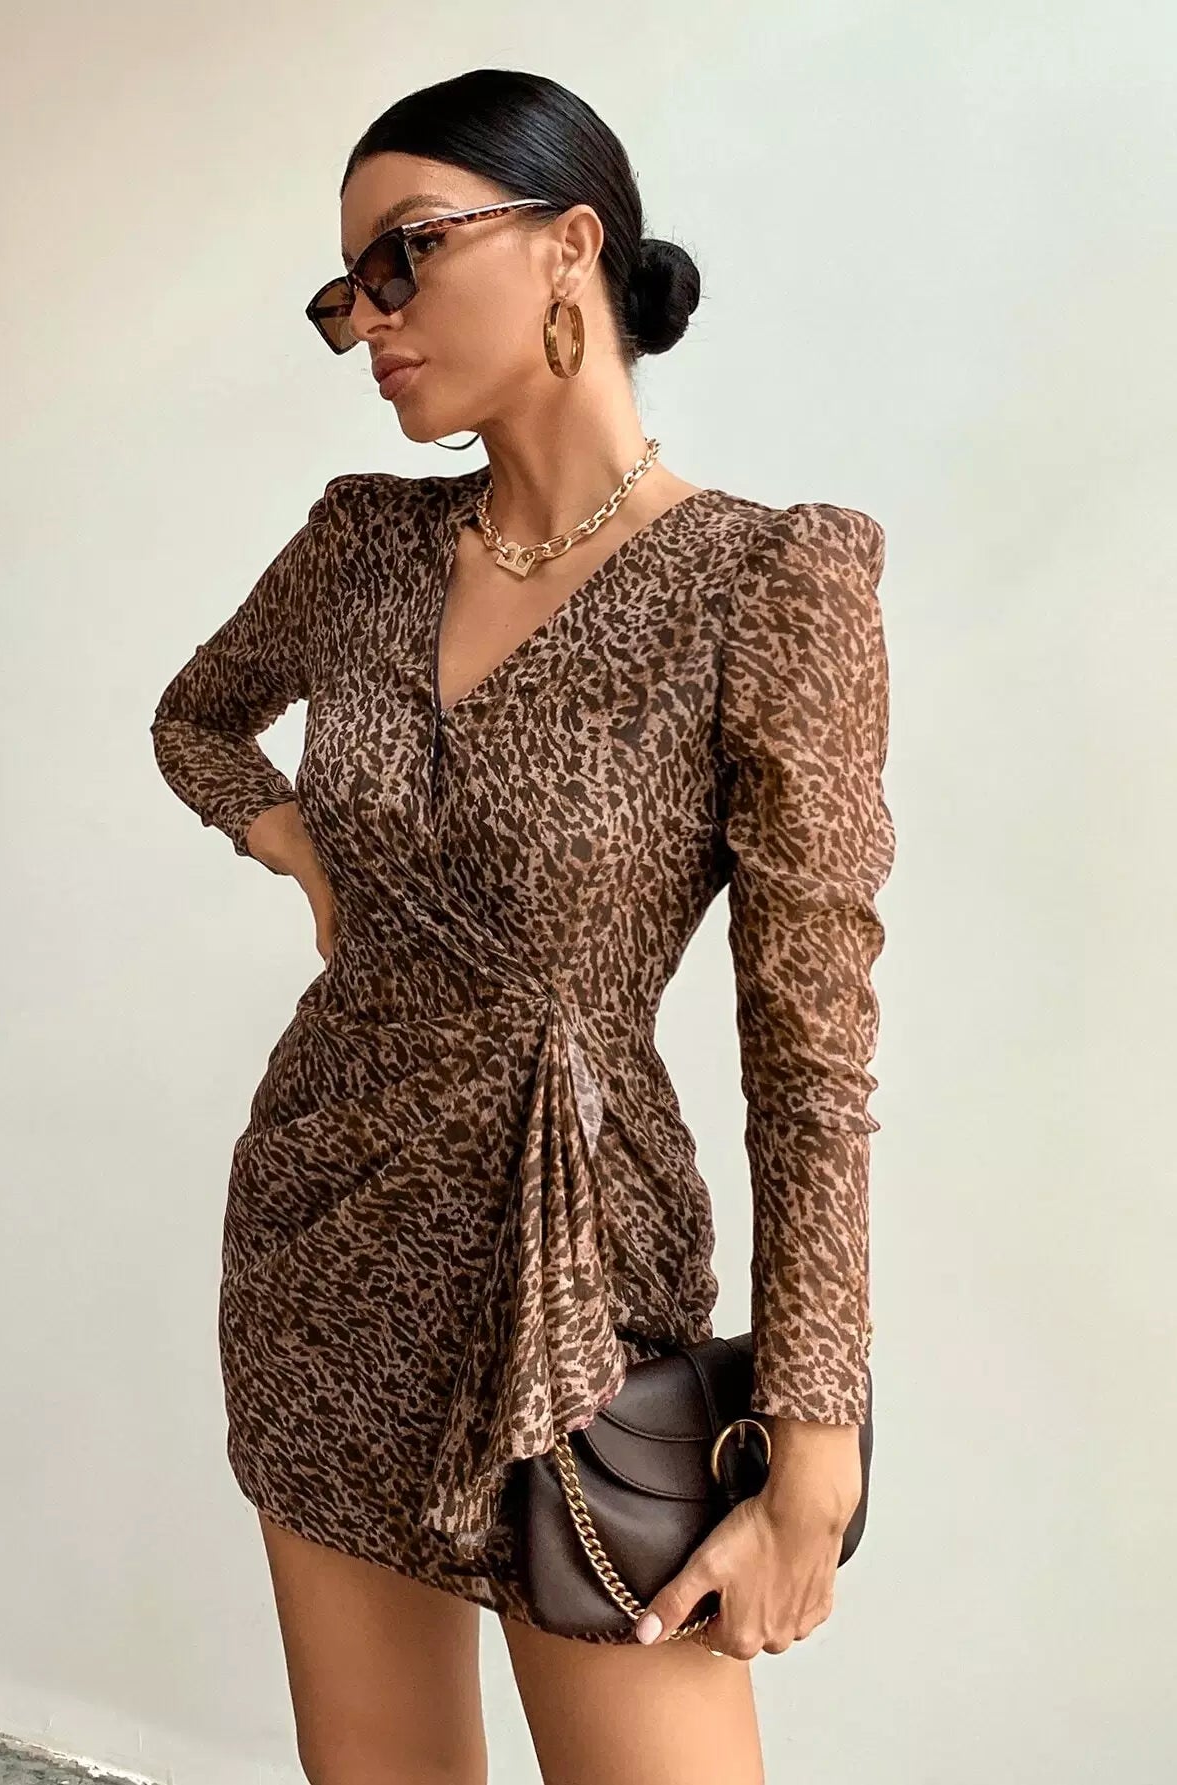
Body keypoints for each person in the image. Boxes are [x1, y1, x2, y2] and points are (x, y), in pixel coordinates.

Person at [150, 66, 895, 1785]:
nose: (368, 321)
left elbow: (810, 1049)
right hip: (327, 1231)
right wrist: (306, 853)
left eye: (403, 257)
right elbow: (197, 719)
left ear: (571, 245)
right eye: (346, 292)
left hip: (580, 1272)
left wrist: (816, 1439)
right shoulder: (363, 544)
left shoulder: (766, 583)